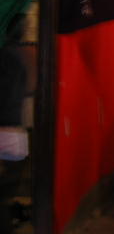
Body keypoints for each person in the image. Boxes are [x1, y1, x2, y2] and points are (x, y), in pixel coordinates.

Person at [0, 14, 31, 234]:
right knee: (5, 196)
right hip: (16, 134)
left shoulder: (5, 56)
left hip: (3, 130)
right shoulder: (21, 58)